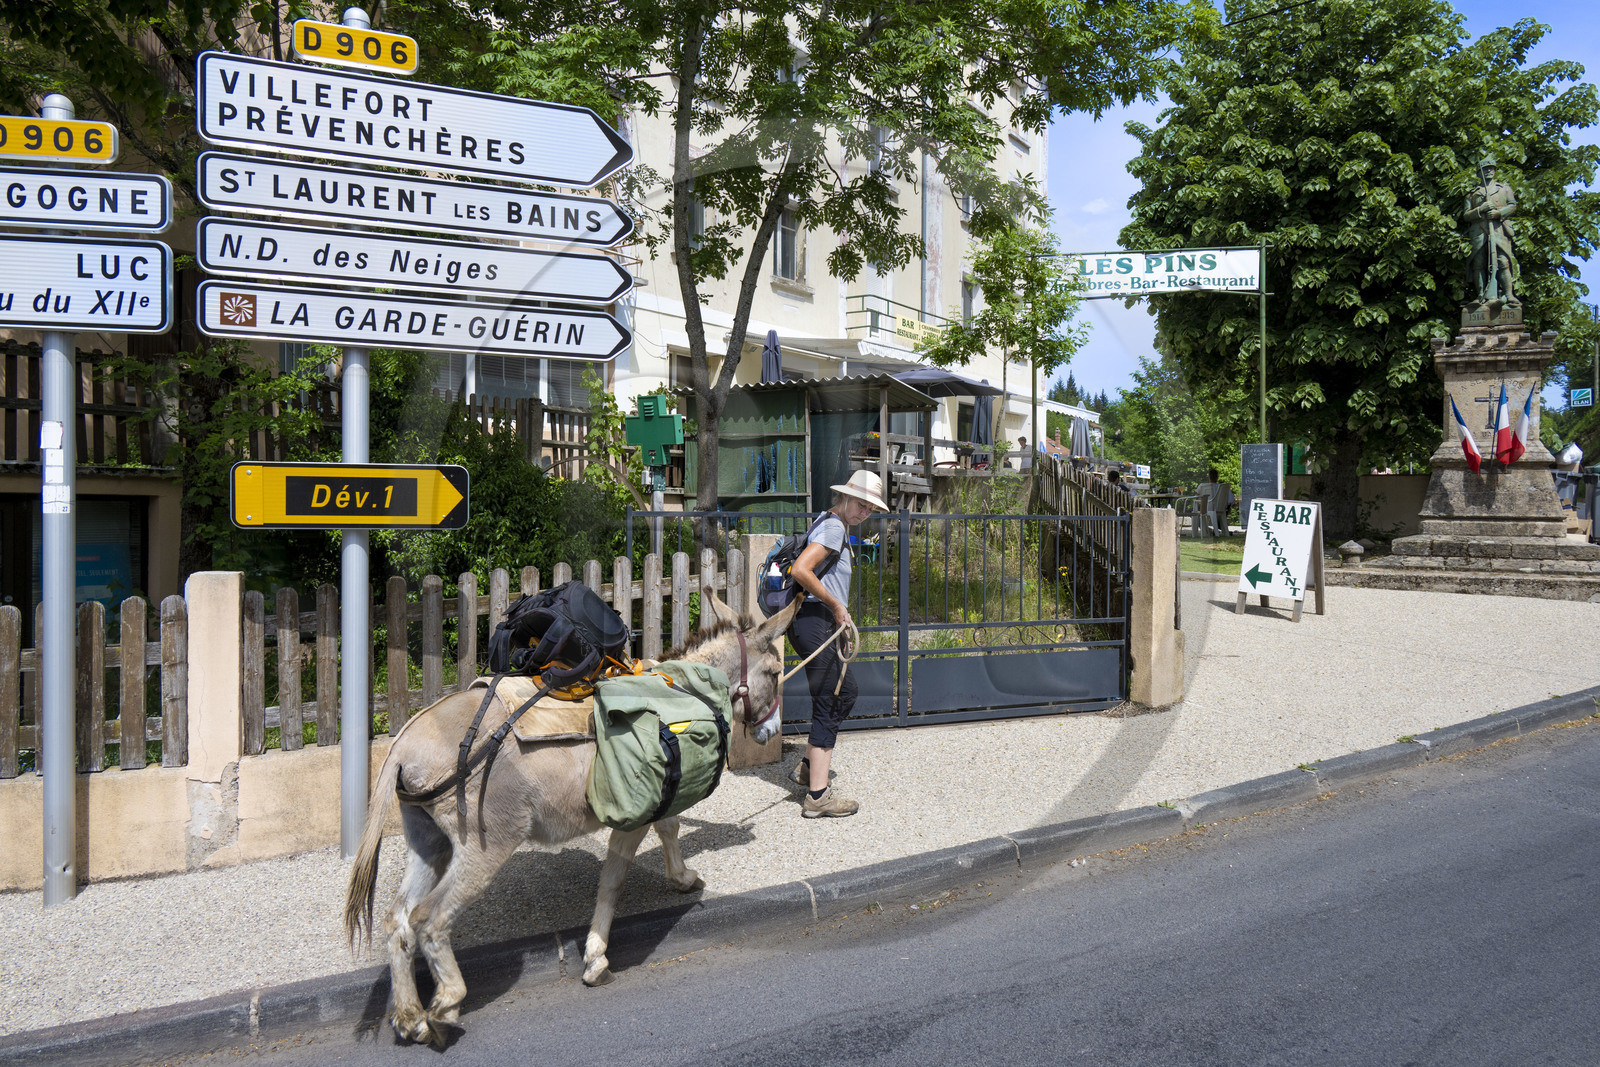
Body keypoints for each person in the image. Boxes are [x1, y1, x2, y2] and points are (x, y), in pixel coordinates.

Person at [786, 469, 888, 818]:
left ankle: (807, 767)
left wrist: (837, 616)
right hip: (813, 621)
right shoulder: (832, 527)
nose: (864, 513)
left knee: (845, 692)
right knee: (832, 698)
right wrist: (835, 606)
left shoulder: (829, 522)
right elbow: (800, 570)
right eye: (861, 504)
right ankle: (818, 796)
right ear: (844, 498)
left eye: (871, 508)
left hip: (817, 622)